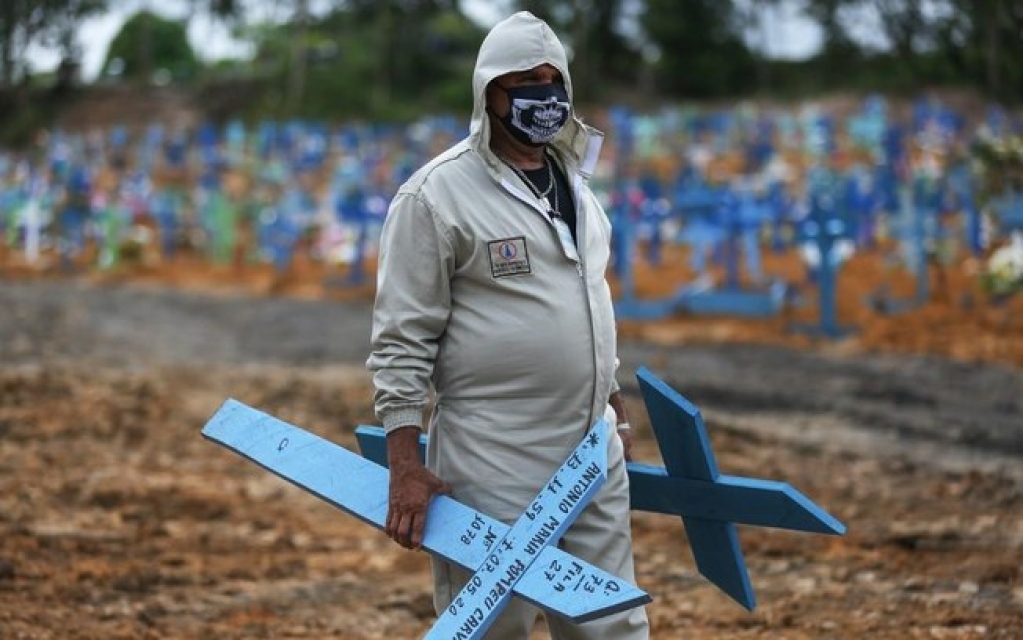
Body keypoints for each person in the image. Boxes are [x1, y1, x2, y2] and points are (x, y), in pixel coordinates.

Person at [366, 11, 649, 639]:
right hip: (493, 455)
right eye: (524, 80)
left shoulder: (577, 184)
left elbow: (588, 302)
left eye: (554, 79)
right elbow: (400, 340)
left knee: (610, 620)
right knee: (493, 623)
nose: (542, 93)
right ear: (488, 92)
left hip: (589, 451)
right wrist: (405, 465)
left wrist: (614, 408)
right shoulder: (436, 197)